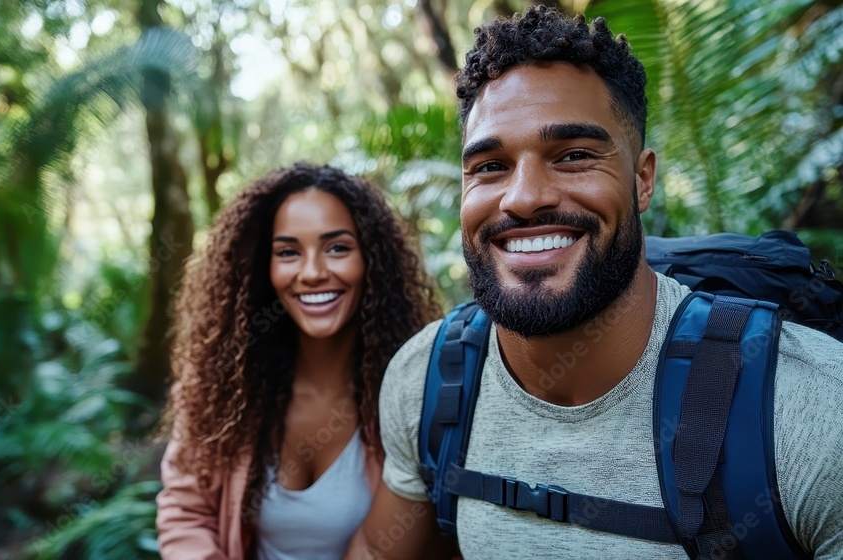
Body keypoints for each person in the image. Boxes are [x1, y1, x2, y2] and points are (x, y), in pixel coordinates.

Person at [345, 5, 843, 559]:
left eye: (574, 155)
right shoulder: (428, 381)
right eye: (490, 166)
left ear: (642, 179)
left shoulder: (810, 410)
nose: (523, 198)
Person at [156, 162, 442, 560]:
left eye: (337, 248)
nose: (312, 273)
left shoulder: (419, 394)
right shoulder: (218, 390)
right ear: (264, 266)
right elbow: (186, 514)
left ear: (372, 260)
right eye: (288, 252)